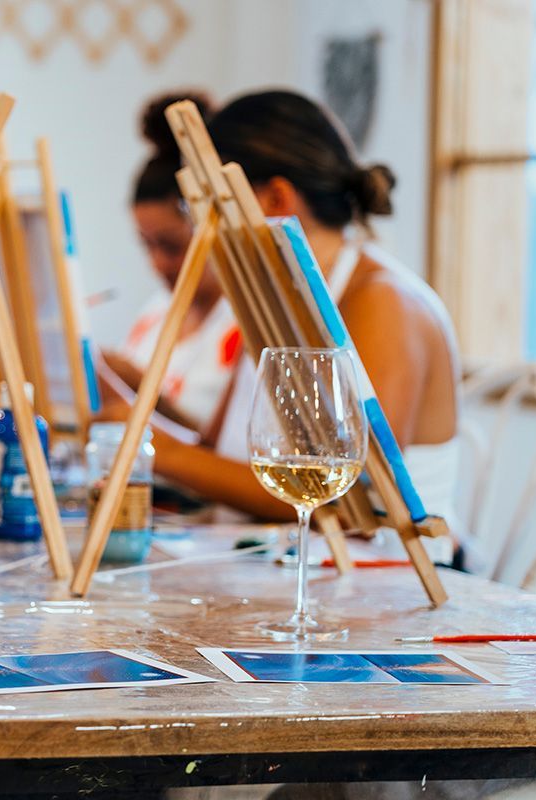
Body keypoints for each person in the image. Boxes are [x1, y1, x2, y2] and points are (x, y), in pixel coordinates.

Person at [106, 89, 461, 553]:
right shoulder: (271, 293)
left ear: (276, 197)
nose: (204, 227)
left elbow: (347, 498)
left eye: (208, 205)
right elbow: (219, 452)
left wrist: (148, 441)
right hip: (270, 558)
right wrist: (136, 410)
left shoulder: (382, 300)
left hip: (383, 579)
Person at [99, 91, 242, 434]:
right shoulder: (157, 313)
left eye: (171, 246)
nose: (158, 264)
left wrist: (141, 389)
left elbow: (228, 453)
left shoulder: (245, 326)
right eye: (146, 245)